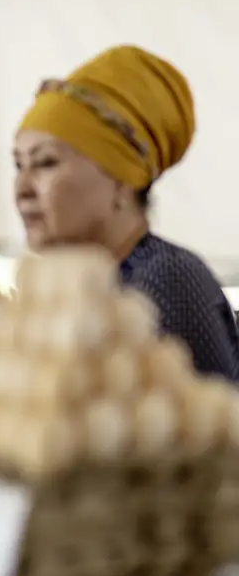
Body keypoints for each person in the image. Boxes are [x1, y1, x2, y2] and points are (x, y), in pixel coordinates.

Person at [13, 44, 239, 381]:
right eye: (18, 164)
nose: (22, 189)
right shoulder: (85, 286)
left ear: (122, 182)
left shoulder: (163, 281)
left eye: (46, 163)